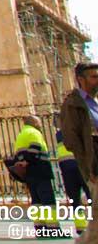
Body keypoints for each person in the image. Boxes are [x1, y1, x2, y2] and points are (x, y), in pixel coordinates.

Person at [61, 61, 98, 242]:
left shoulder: (95, 103)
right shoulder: (72, 104)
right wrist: (88, 169)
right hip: (93, 168)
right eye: (94, 77)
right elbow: (71, 140)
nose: (97, 80)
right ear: (80, 80)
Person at [12, 115, 60, 236]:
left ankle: (40, 228)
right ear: (33, 122)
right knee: (47, 200)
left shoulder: (20, 135)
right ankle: (53, 229)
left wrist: (24, 162)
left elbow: (18, 154)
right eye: (38, 122)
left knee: (36, 201)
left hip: (29, 173)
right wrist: (29, 160)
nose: (40, 124)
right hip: (40, 170)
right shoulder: (34, 132)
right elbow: (35, 149)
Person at [56, 129, 90, 236]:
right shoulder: (80, 128)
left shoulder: (59, 134)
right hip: (81, 166)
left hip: (67, 169)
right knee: (92, 196)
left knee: (75, 200)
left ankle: (80, 227)